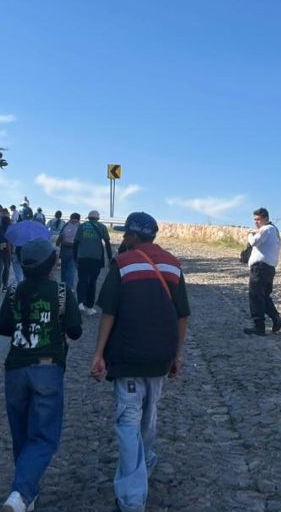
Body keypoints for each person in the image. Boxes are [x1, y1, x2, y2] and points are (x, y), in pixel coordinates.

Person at [91, 212, 189, 512]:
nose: (122, 238)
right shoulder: (173, 265)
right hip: (160, 356)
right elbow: (182, 315)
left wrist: (98, 354)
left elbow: (109, 312)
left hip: (129, 355)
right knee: (148, 417)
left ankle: (132, 498)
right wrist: (176, 355)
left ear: (134, 236)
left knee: (128, 423)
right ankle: (145, 462)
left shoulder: (122, 263)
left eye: (125, 234)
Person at [0, 239, 82, 512]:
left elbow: (2, 328)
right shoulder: (61, 292)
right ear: (51, 264)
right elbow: (75, 331)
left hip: (16, 368)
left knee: (20, 433)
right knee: (44, 436)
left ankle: (27, 495)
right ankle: (19, 494)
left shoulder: (13, 291)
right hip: (48, 368)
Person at [244, 207, 281, 336]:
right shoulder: (274, 230)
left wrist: (249, 235)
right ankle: (275, 318)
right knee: (264, 297)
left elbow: (255, 241)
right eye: (255, 220)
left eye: (258, 219)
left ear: (265, 219)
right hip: (269, 268)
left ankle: (259, 326)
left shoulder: (266, 229)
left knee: (255, 296)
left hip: (260, 268)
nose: (256, 222)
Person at [74, 210, 113, 315]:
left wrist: (75, 258)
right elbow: (108, 243)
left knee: (82, 279)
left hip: (82, 257)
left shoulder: (81, 227)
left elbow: (76, 243)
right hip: (96, 258)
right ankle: (89, 307)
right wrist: (110, 258)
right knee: (92, 281)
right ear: (98, 218)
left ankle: (80, 302)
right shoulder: (102, 227)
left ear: (89, 217)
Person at [5, 214, 51, 285]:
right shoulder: (39, 232)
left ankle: (19, 290)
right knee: (27, 277)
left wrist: (11, 254)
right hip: (29, 259)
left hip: (18, 254)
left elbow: (11, 241)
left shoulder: (23, 227)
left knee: (19, 277)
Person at [55, 213, 81, 291]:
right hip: (75, 250)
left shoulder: (66, 225)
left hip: (64, 249)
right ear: (79, 219)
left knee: (64, 268)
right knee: (71, 268)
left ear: (70, 217)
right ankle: (69, 288)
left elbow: (60, 236)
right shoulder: (80, 226)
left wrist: (57, 245)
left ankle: (62, 286)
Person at [0, 215, 14, 294]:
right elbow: (13, 241)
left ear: (2, 221)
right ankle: (5, 286)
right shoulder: (11, 230)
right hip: (8, 252)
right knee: (7, 269)